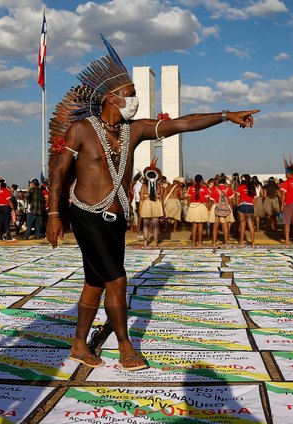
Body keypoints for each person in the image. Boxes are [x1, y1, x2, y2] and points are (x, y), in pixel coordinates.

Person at [45, 36, 258, 370]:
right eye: (130, 95)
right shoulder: (81, 130)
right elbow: (58, 173)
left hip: (115, 219)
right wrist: (54, 213)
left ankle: (78, 345)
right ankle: (125, 345)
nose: (135, 101)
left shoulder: (136, 130)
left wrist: (225, 115)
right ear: (110, 98)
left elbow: (183, 122)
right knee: (117, 280)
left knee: (95, 281)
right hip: (86, 214)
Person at [139, 159, 164, 246]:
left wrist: (140, 208)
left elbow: (141, 198)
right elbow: (161, 197)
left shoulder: (144, 185)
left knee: (145, 224)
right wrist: (163, 209)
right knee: (156, 224)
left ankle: (145, 241)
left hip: (146, 204)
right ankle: (155, 241)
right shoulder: (158, 185)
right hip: (156, 204)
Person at [186, 174, 211, 246]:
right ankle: (200, 242)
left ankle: (194, 243)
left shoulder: (190, 188)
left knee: (194, 226)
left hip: (193, 206)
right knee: (201, 226)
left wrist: (189, 208)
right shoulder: (204, 188)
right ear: (201, 180)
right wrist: (208, 209)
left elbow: (189, 200)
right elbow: (207, 201)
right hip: (202, 206)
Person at [210, 175, 234, 246]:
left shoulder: (214, 188)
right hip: (226, 207)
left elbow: (211, 200)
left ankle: (214, 242)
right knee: (225, 226)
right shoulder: (228, 188)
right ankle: (226, 242)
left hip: (216, 207)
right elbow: (231, 200)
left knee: (215, 226)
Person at [235, 174, 257, 246]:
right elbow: (255, 198)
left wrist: (238, 204)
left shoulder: (241, 187)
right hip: (250, 206)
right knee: (251, 225)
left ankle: (241, 241)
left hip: (242, 206)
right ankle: (253, 242)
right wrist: (253, 205)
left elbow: (237, 196)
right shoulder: (252, 187)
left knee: (242, 224)